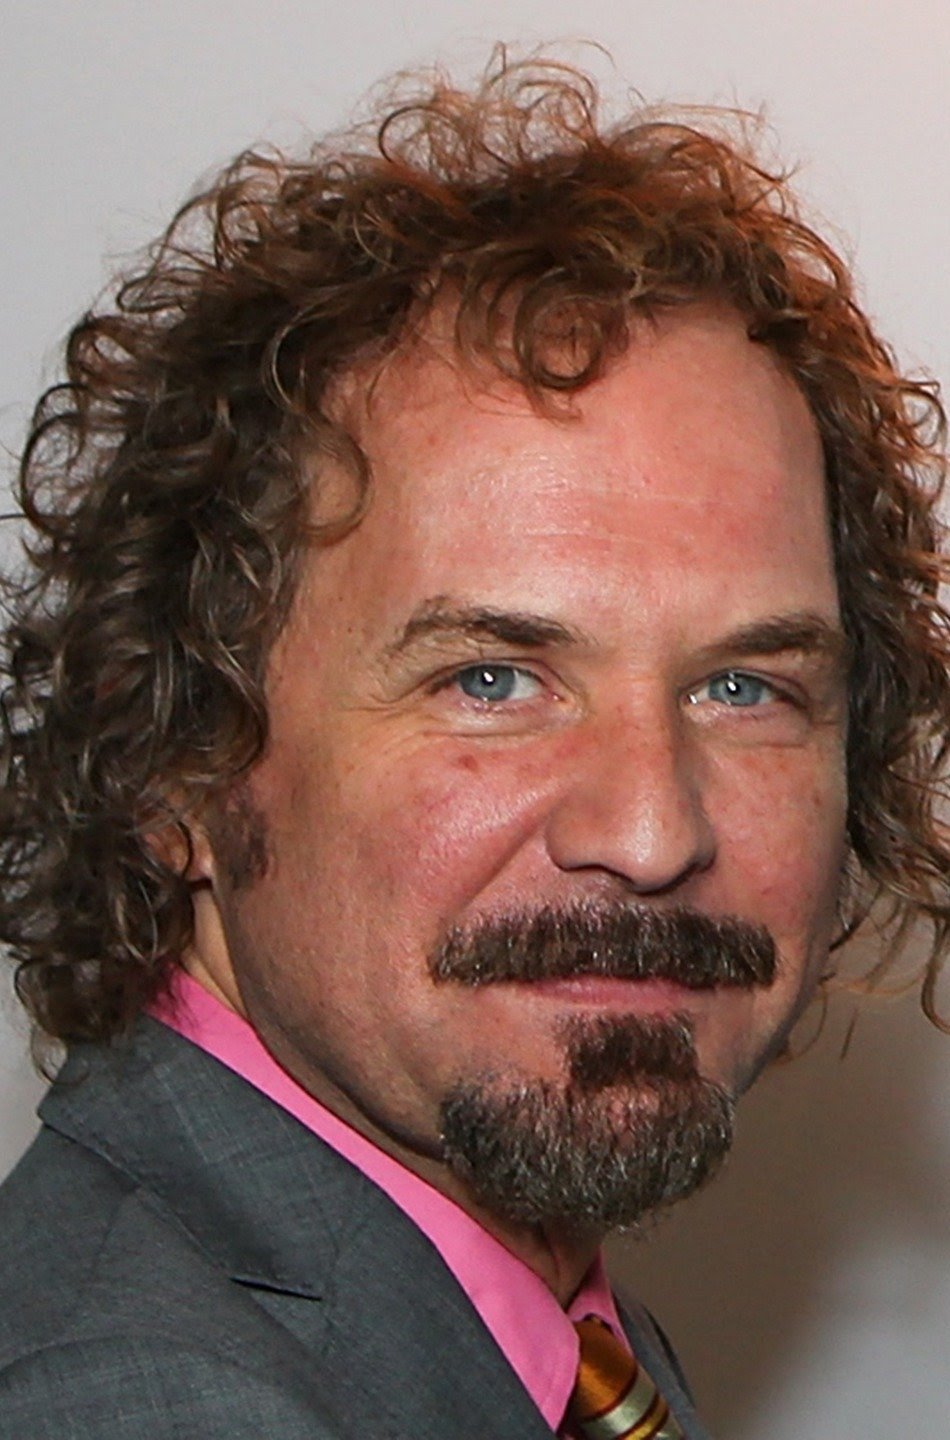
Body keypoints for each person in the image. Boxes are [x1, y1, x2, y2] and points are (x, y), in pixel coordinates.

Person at [0, 53, 947, 1440]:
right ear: (178, 759)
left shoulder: (514, 1321)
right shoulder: (145, 1400)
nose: (651, 831)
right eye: (493, 680)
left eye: (742, 687)